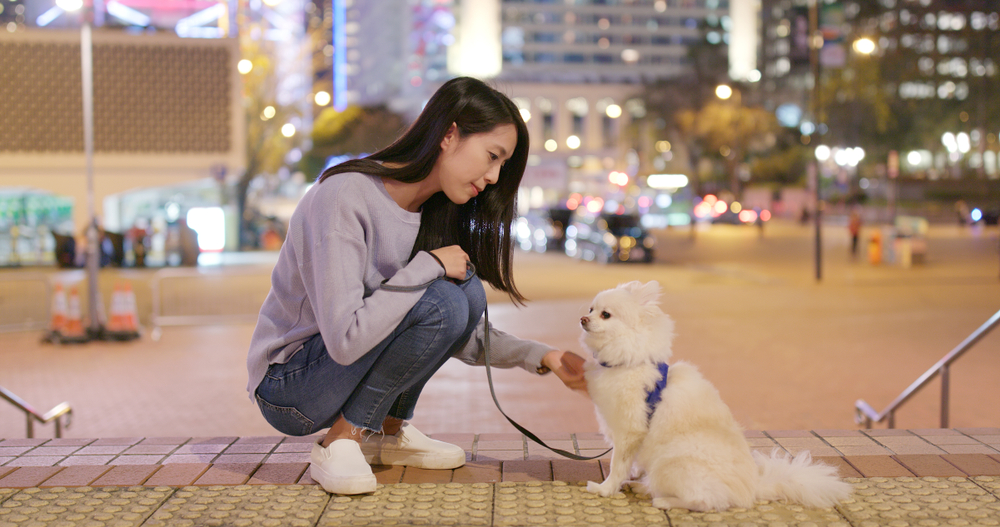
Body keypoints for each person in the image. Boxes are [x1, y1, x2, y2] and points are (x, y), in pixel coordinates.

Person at [246, 77, 587, 496]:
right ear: (449, 134)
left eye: (502, 165)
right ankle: (343, 439)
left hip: (335, 372)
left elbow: (454, 333)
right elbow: (345, 340)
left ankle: (386, 431)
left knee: (466, 294)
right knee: (443, 296)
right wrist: (426, 266)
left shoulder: (431, 212)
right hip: (289, 386)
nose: (495, 176)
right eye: (492, 156)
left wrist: (544, 356)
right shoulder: (344, 197)